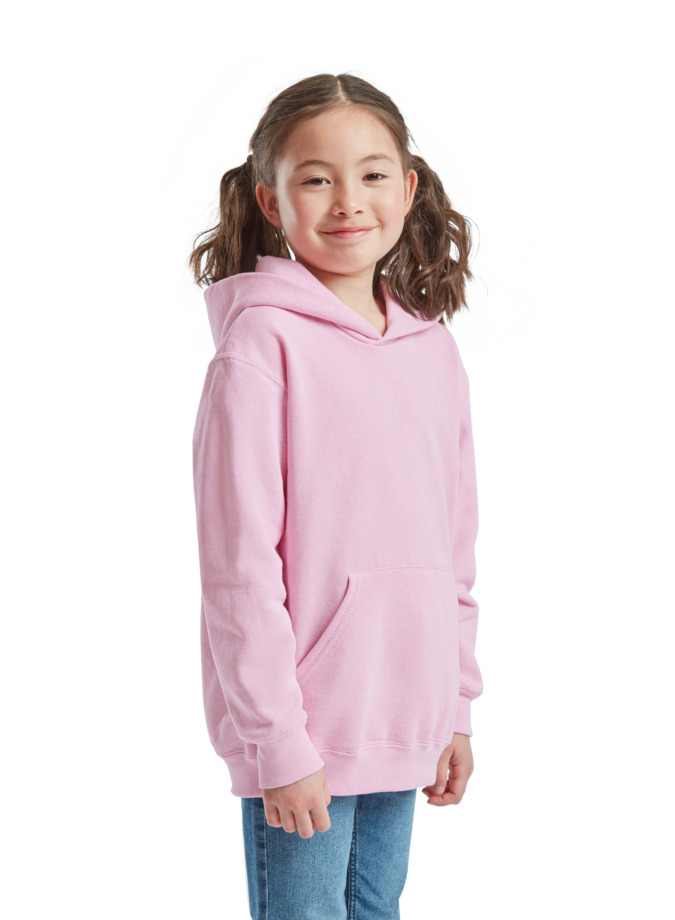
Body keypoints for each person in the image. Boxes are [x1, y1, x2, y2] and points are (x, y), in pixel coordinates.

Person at [189, 72, 484, 919]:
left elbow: (453, 546)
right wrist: (275, 740)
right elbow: (239, 569)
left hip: (406, 715)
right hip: (304, 734)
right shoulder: (259, 347)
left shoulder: (432, 351)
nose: (349, 200)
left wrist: (453, 704)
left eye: (372, 174)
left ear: (409, 188)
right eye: (316, 178)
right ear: (271, 201)